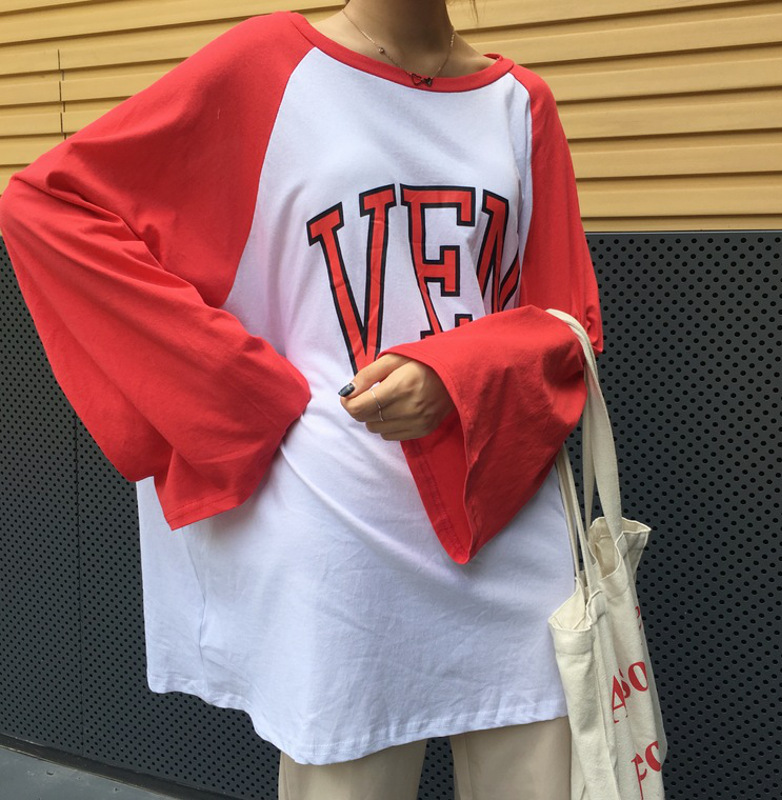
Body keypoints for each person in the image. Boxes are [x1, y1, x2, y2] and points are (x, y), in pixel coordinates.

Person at [0, 0, 603, 796]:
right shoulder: (263, 63)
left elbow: (565, 320)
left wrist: (456, 374)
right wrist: (242, 391)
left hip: (506, 508)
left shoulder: (521, 102)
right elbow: (49, 206)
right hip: (340, 522)